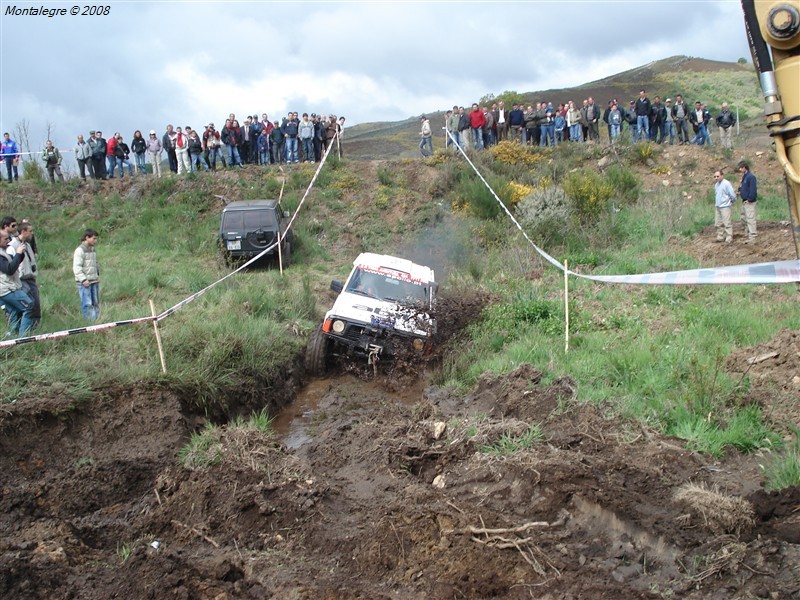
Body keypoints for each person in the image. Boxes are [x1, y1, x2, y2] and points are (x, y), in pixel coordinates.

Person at [0, 228, 35, 337]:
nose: (8, 241)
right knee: (29, 306)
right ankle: (23, 337)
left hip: (7, 288)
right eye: (6, 239)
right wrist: (18, 253)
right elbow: (9, 269)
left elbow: (14, 263)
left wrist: (20, 254)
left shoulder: (3, 252)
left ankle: (13, 338)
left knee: (14, 313)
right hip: (7, 289)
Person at [10, 222, 40, 330]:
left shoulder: (27, 245)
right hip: (21, 279)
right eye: (30, 231)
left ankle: (35, 329)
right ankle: (24, 331)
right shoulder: (13, 245)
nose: (32, 233)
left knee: (36, 305)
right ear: (23, 231)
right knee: (28, 305)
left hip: (31, 278)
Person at [73, 228, 100, 321]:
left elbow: (95, 263)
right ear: (87, 238)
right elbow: (76, 267)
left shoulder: (93, 249)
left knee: (95, 303)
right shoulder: (79, 250)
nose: (95, 241)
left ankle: (97, 323)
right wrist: (83, 280)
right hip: (85, 283)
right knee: (88, 304)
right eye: (94, 238)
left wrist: (97, 276)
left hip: (94, 280)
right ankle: (91, 325)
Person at [713, 169, 736, 243]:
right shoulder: (716, 185)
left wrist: (731, 201)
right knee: (718, 223)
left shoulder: (726, 183)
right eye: (715, 176)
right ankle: (720, 236)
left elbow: (732, 194)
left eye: (718, 176)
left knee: (727, 222)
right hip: (718, 206)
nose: (716, 178)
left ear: (722, 176)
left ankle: (729, 237)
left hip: (725, 206)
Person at [738, 161, 757, 243]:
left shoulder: (751, 177)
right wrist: (739, 192)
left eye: (741, 168)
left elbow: (753, 189)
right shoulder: (744, 177)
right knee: (744, 218)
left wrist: (750, 199)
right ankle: (747, 234)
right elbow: (743, 187)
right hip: (744, 201)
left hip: (749, 202)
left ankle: (752, 236)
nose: (740, 169)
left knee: (750, 219)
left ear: (745, 167)